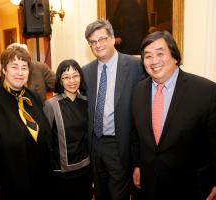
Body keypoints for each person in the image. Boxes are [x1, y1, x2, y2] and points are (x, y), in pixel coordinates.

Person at [131, 30, 216, 200]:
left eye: (160, 53)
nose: (154, 60)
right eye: (148, 56)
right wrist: (137, 164)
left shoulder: (206, 92)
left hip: (191, 187)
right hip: (150, 185)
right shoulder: (137, 91)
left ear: (175, 56)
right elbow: (137, 134)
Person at [0, 46, 52, 199]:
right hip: (7, 185)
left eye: (24, 68)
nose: (20, 73)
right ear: (4, 70)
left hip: (39, 183)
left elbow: (45, 137)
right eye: (14, 67)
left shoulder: (33, 97)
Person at [82, 19, 145, 200]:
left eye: (102, 39)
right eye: (93, 42)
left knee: (119, 195)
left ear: (112, 39)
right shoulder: (86, 71)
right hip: (94, 145)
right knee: (100, 193)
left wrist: (138, 159)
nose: (98, 45)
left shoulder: (135, 66)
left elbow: (142, 114)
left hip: (119, 144)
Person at [43, 59, 93, 200]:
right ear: (60, 80)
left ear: (81, 77)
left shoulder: (86, 101)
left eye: (75, 75)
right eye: (66, 77)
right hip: (61, 173)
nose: (71, 80)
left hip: (86, 168)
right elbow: (46, 142)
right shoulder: (51, 105)